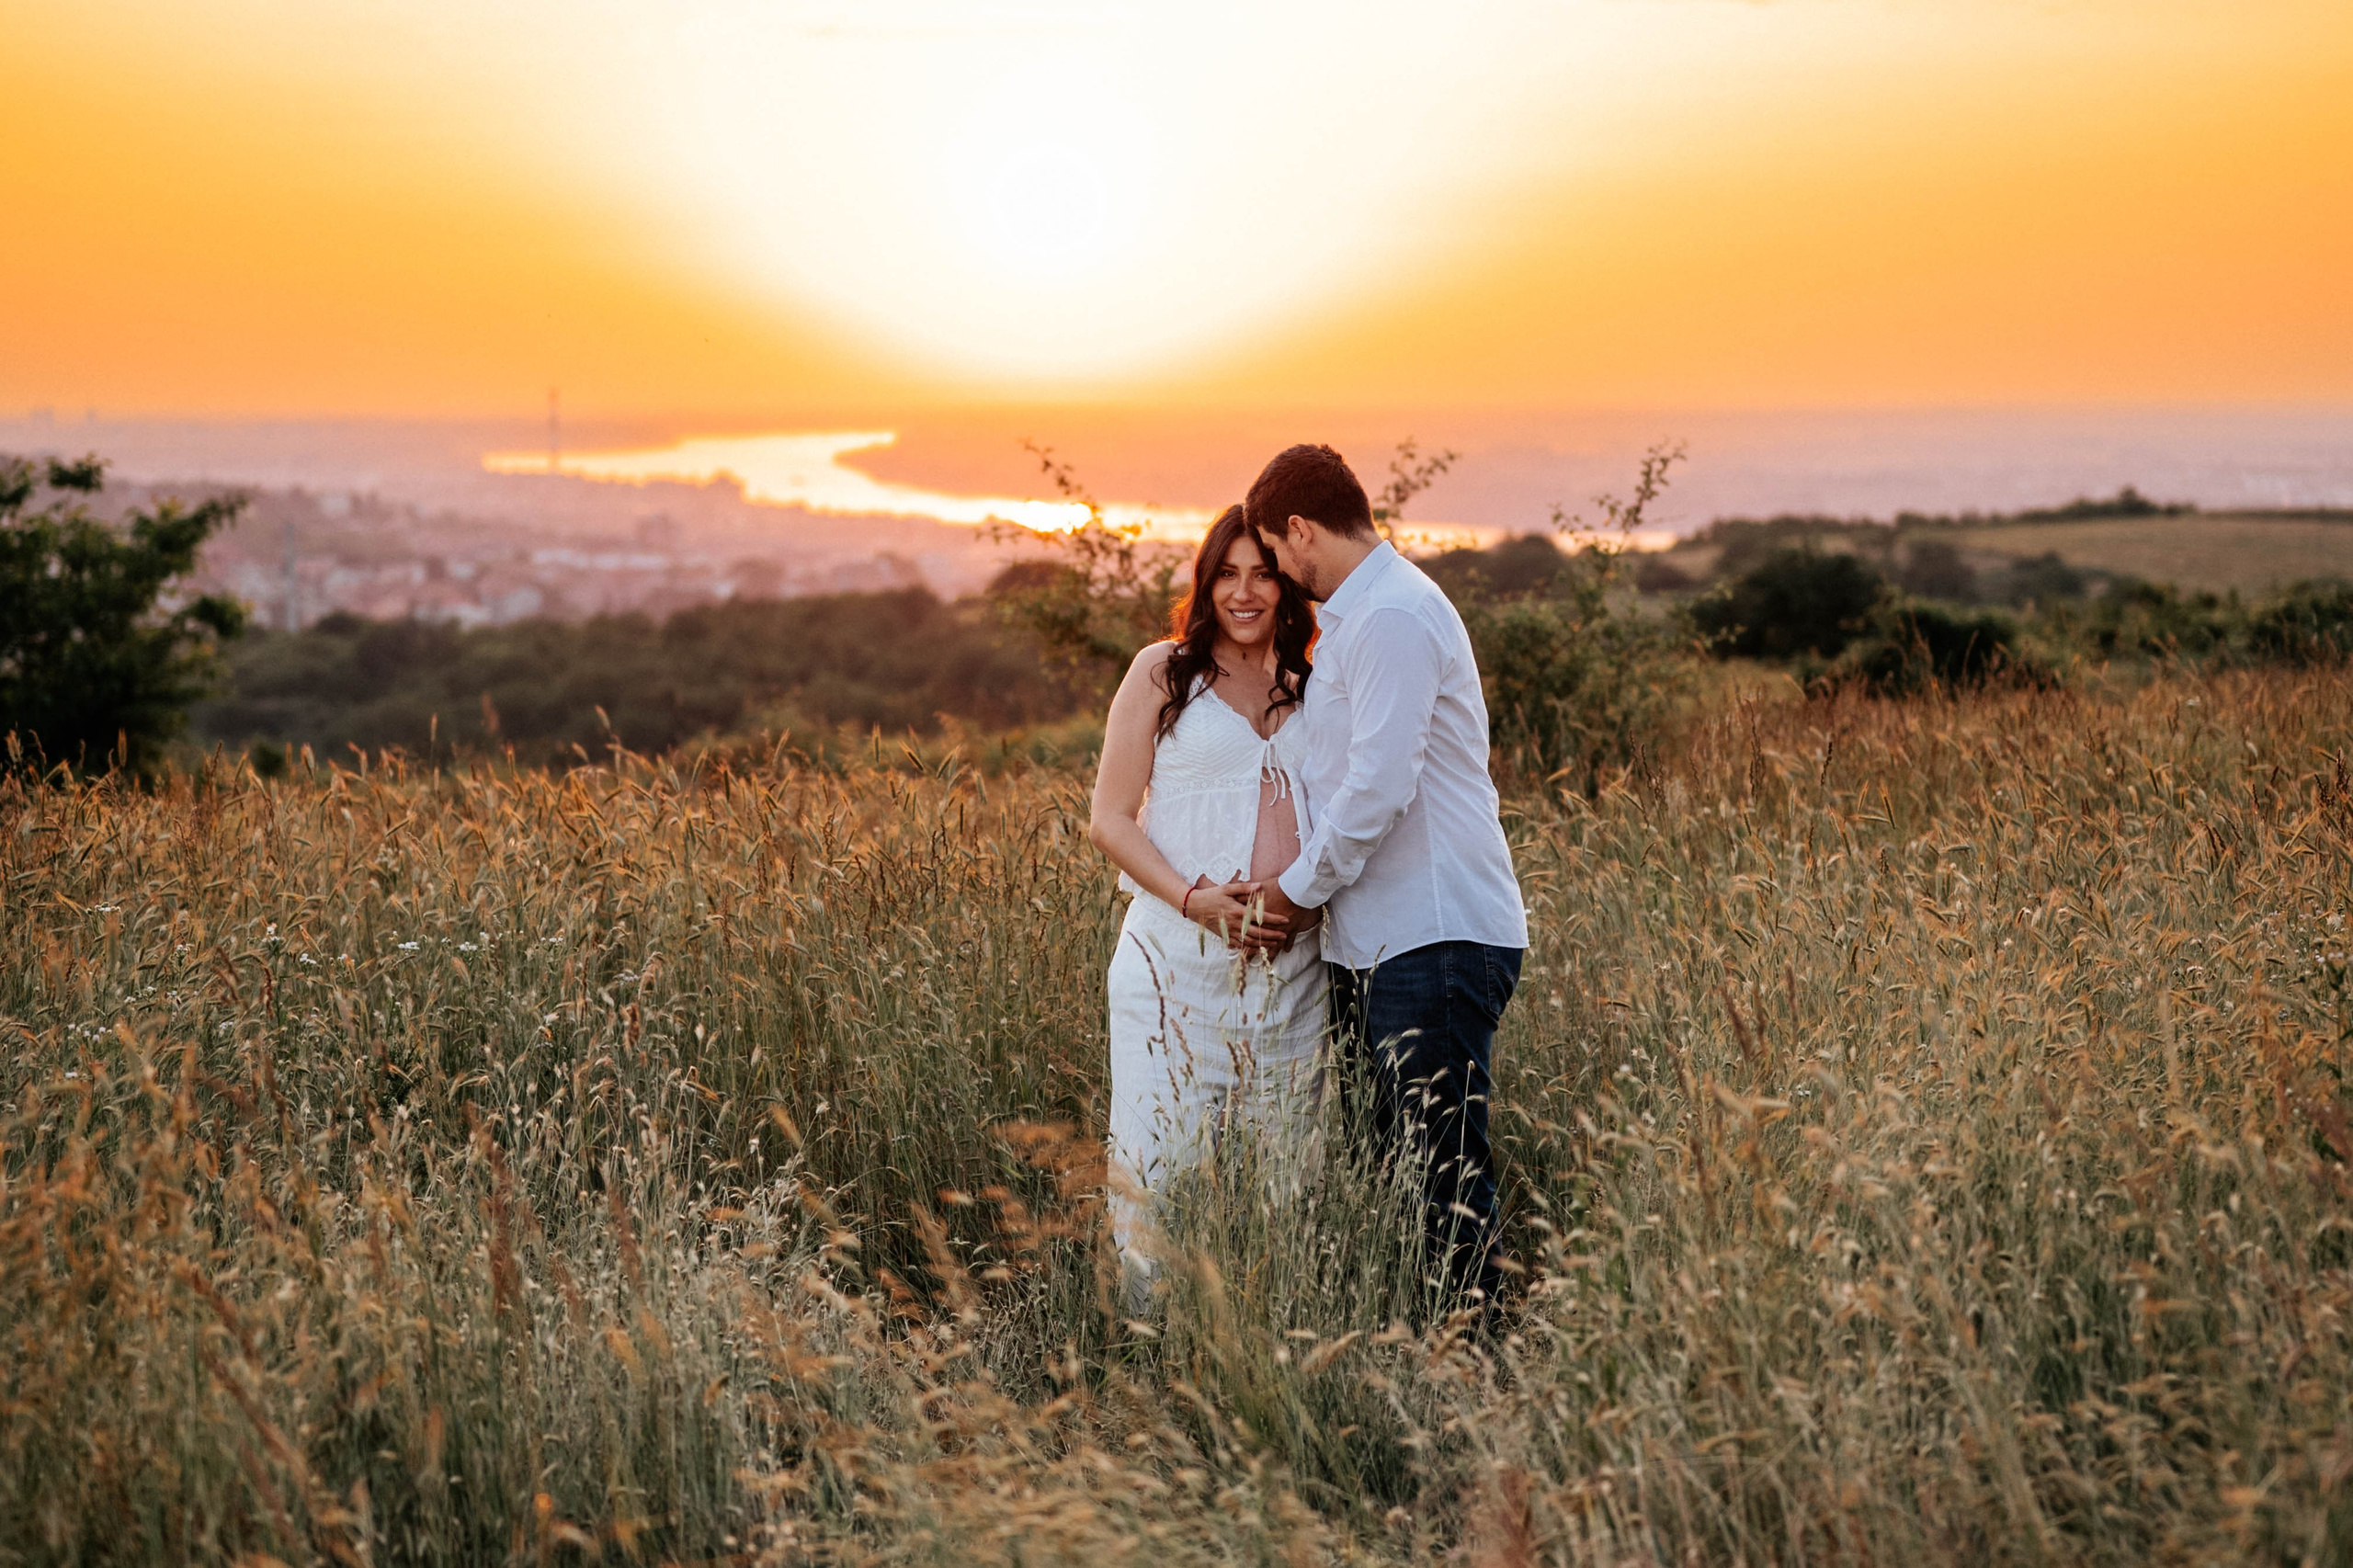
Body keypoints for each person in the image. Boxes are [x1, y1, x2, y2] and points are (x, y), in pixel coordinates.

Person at [1242, 444, 1528, 1313]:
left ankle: (1477, 1366)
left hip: (1432, 935)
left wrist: (1292, 892)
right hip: (1378, 942)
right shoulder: (1359, 624)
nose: (1281, 576)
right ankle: (1420, 1359)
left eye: (1276, 553)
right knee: (1391, 1174)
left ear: (1299, 531)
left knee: (1440, 1177)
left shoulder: (1395, 616)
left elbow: (1376, 790)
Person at [1086, 505, 1325, 1301]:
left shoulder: (1314, 679)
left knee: (1290, 1170)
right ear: (1206, 580)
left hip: (1293, 970)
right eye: (1227, 573)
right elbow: (1110, 819)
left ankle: (1271, 1335)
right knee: (1161, 1165)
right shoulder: (1164, 671)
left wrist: (1309, 904)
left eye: (1262, 572)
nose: (1245, 591)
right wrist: (1196, 902)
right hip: (1174, 963)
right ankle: (1150, 1343)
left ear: (1286, 580)